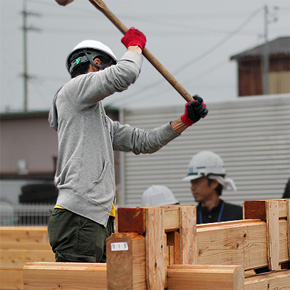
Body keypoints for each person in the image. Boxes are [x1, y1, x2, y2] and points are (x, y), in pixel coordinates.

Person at [47, 27, 208, 263]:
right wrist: (135, 46)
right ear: (96, 62)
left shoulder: (98, 121)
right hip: (79, 217)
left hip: (95, 220)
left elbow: (144, 142)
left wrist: (185, 121)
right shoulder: (73, 90)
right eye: (108, 68)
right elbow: (125, 73)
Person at [183, 151, 242, 224]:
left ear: (214, 183)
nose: (192, 188)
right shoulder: (188, 218)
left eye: (197, 182)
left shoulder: (238, 215)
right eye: (191, 182)